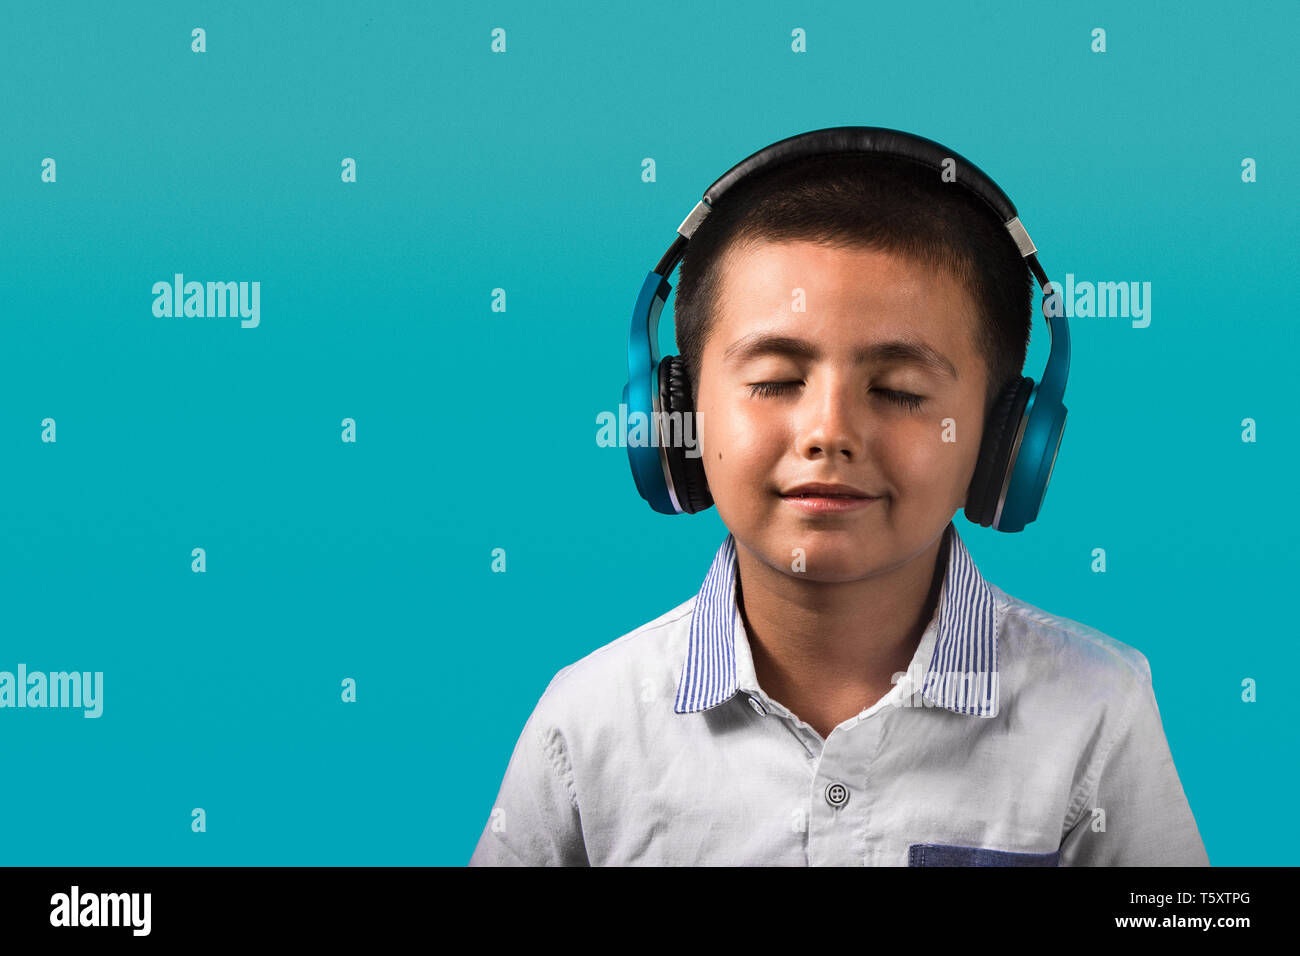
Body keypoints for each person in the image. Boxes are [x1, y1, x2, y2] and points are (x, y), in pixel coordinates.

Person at [469, 130, 1209, 866]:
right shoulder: (590, 722)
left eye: (898, 391)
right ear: (678, 417)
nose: (829, 433)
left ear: (1006, 436)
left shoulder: (1096, 710)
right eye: (774, 381)